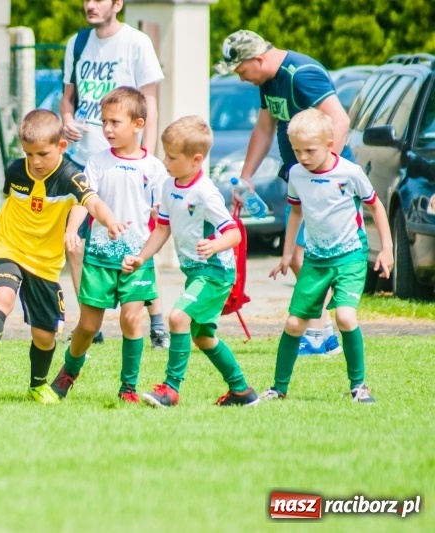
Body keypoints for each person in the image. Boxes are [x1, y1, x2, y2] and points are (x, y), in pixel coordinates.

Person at [214, 29, 352, 356]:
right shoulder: (268, 81)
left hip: (325, 185)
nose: (241, 78)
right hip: (298, 181)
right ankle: (322, 332)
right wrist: (245, 178)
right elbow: (264, 128)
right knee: (296, 256)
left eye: (240, 70)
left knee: (305, 255)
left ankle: (320, 334)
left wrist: (323, 174)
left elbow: (341, 121)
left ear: (258, 59)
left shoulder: (301, 74)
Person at [0, 109, 127, 404]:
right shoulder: (15, 170)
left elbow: (93, 203)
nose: (35, 162)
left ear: (61, 147)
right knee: (1, 297)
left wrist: (111, 222)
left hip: (45, 263)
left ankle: (37, 385)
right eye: (29, 154)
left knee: (44, 336)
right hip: (8, 247)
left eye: (42, 154)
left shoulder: (71, 176)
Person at [122, 116, 259, 408]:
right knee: (203, 337)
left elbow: (234, 234)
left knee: (177, 317)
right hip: (195, 272)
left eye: (171, 157)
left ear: (196, 160)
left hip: (215, 272)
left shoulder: (205, 193)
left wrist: (215, 244)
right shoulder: (169, 187)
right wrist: (141, 257)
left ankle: (170, 390)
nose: (165, 161)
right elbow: (162, 228)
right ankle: (242, 391)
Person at [262, 109, 393, 404]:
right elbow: (296, 212)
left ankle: (359, 387)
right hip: (315, 259)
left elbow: (377, 207)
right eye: (296, 151)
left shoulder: (349, 173)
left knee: (345, 317)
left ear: (330, 145)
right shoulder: (296, 173)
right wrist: (286, 254)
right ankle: (278, 388)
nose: (303, 157)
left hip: (350, 256)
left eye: (309, 150)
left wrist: (387, 249)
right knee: (295, 324)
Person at [60, 0, 168, 348]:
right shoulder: (76, 43)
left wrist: (146, 158)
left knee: (134, 239)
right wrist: (65, 119)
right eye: (86, 0)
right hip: (85, 158)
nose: (90, 5)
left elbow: (150, 102)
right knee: (75, 243)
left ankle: (155, 320)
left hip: (131, 163)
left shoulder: (136, 43)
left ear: (117, 4)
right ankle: (90, 325)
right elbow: (68, 99)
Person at [50, 87, 167, 403]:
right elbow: (84, 200)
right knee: (88, 326)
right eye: (104, 122)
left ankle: (127, 388)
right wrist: (72, 230)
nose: (108, 129)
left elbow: (163, 214)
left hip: (136, 259)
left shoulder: (153, 168)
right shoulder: (97, 162)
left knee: (132, 319)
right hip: (99, 257)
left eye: (115, 122)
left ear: (138, 124)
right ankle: (67, 374)